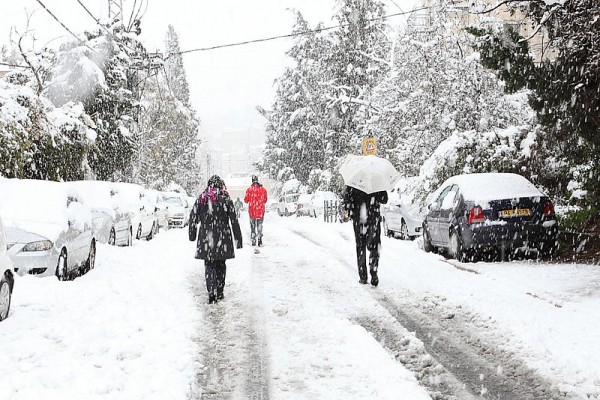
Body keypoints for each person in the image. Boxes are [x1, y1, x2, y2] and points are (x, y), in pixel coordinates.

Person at [189, 175, 243, 304]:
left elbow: (193, 218)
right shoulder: (225, 199)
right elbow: (234, 220)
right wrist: (238, 239)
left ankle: (211, 292)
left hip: (206, 238)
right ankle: (219, 290)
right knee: (221, 265)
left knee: (209, 264)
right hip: (223, 237)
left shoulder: (202, 199)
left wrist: (192, 235)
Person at [343, 186, 388, 286]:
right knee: (374, 246)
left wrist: (349, 210)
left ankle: (363, 276)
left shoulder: (354, 184)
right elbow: (384, 199)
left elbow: (347, 201)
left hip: (359, 220)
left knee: (360, 247)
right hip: (373, 219)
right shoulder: (376, 182)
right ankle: (373, 271)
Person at [244, 175, 268, 246]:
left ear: (252, 181)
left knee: (253, 226)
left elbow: (246, 200)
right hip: (260, 211)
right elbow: (265, 200)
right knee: (260, 225)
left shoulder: (249, 190)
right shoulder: (263, 190)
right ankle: (260, 240)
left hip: (252, 211)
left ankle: (253, 240)